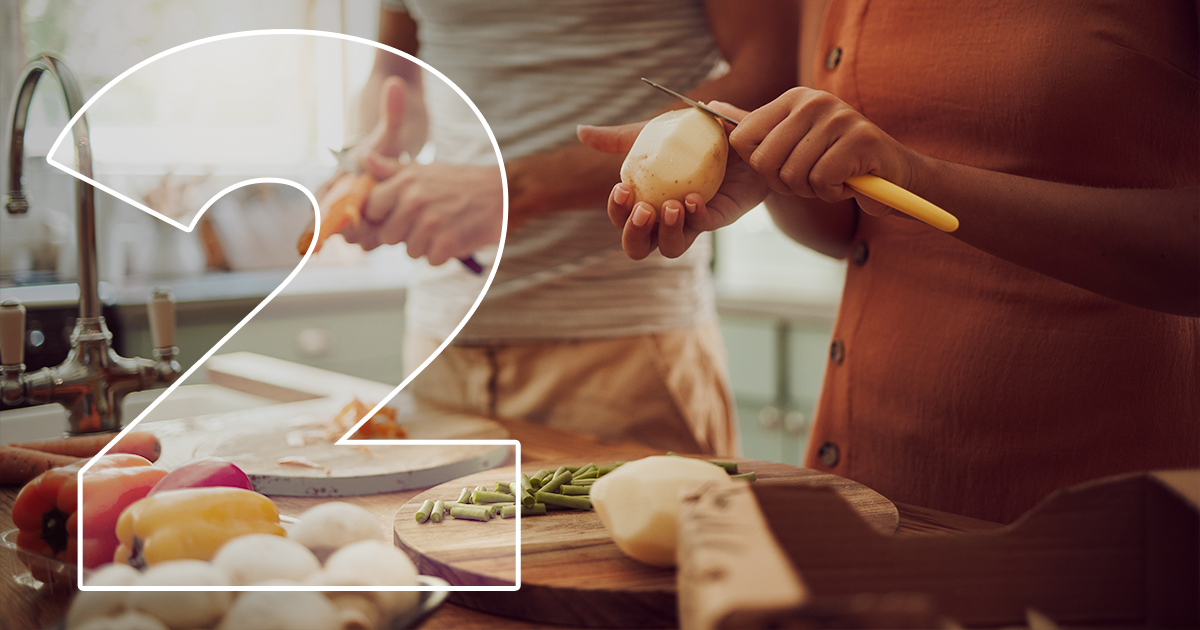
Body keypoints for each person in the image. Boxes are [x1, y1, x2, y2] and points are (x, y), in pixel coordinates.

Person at [581, 0, 1200, 523]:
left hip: (1098, 511)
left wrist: (921, 177)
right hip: (874, 488)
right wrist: (775, 173)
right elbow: (853, 231)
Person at [336, 1, 798, 456]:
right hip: (440, 345)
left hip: (623, 355)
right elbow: (396, 73)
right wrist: (368, 157)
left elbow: (772, 74)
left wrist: (512, 190)